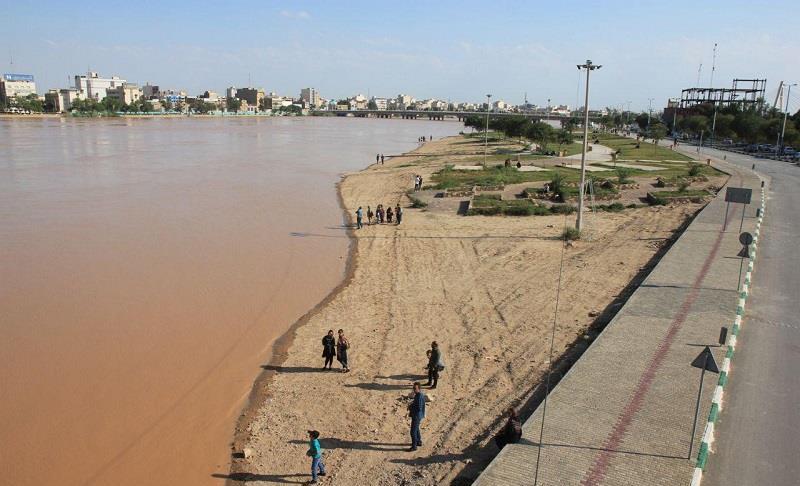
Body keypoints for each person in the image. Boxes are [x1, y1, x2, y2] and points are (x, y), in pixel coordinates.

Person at [408, 382, 426, 451]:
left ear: (419, 389)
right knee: (417, 429)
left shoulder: (420, 396)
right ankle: (418, 441)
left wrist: (411, 407)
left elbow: (419, 408)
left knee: (413, 431)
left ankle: (414, 446)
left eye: (415, 388)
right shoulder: (417, 395)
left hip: (416, 416)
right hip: (416, 415)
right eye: (413, 388)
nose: (414, 390)